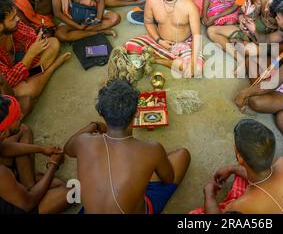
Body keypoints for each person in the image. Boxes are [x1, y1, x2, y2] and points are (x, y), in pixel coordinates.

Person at [64, 79, 191, 214]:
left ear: (101, 113)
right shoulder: (153, 149)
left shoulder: (83, 142)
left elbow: (68, 149)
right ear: (137, 112)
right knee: (183, 155)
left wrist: (93, 126)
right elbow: (168, 179)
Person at [190, 119, 283, 214]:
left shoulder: (240, 205)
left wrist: (209, 193)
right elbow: (263, 176)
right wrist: (232, 169)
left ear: (239, 157)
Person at [125, 0, 203, 77]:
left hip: (183, 44)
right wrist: (159, 40)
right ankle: (168, 59)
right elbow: (148, 22)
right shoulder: (152, 0)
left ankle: (156, 59)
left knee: (196, 70)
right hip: (159, 41)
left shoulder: (189, 6)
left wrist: (193, 64)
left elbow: (196, 36)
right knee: (128, 47)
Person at [0, 95, 71, 214]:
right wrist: (54, 164)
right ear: (3, 133)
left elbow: (3, 148)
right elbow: (28, 203)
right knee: (70, 193)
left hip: (9, 187)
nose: (21, 116)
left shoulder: (2, 136)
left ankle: (28, 185)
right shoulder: (1, 173)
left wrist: (42, 149)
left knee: (23, 129)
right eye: (17, 117)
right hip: (22, 204)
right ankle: (27, 188)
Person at [0, 0, 72, 102]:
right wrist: (31, 54)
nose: (18, 19)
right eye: (13, 18)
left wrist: (37, 41)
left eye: (16, 15)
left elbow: (30, 34)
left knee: (53, 43)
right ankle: (52, 67)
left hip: (21, 64)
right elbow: (7, 81)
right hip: (10, 78)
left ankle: (33, 76)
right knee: (22, 91)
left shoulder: (12, 27)